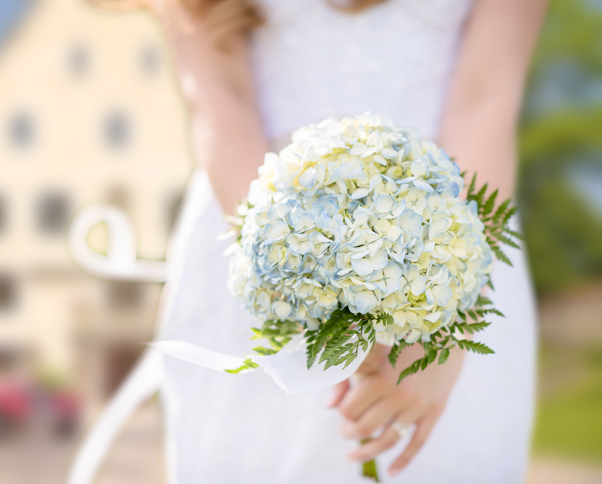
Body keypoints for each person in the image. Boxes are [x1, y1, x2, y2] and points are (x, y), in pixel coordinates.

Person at [76, 0, 546, 482]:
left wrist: (447, 326)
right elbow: (222, 101)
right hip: (257, 219)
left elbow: (485, 99)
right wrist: (299, 285)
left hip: (449, 225)